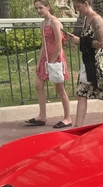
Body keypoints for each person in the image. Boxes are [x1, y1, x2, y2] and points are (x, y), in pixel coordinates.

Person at [66, 0, 103, 127]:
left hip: (99, 65)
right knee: (82, 94)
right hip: (88, 62)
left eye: (78, 7)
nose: (77, 10)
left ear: (86, 4)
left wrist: (80, 41)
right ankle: (77, 127)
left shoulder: (96, 19)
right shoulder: (86, 19)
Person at [26, 0, 72, 128]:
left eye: (41, 8)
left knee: (59, 88)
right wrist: (39, 61)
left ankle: (67, 118)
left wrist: (51, 61)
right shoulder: (42, 24)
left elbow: (59, 44)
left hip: (56, 58)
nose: (39, 11)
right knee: (38, 85)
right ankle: (42, 116)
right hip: (46, 58)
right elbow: (44, 44)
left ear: (48, 7)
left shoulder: (55, 22)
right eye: (36, 8)